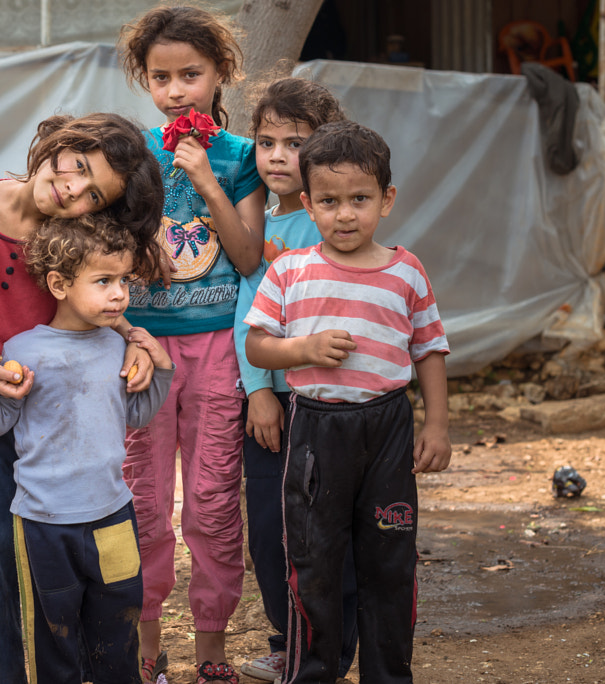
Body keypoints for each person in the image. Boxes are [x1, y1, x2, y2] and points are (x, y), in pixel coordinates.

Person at [0, 112, 165, 684]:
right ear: (62, 145)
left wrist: (133, 338)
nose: (72, 189)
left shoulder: (73, 239)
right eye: (79, 167)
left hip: (65, 429)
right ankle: (1, 676)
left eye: (93, 195)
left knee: (56, 578)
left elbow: (99, 299)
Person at [244, 121, 452, 684]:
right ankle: (313, 671)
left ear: (386, 200)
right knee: (313, 561)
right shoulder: (290, 270)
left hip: (386, 427)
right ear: (308, 204)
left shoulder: (406, 271)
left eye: (360, 199)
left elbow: (430, 349)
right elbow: (256, 343)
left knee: (390, 560)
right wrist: (304, 348)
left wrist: (436, 425)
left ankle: (388, 674)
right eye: (330, 202)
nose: (345, 215)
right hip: (314, 429)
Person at [117, 5, 267, 683]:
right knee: (143, 505)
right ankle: (145, 650)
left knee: (210, 504)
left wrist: (206, 178)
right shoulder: (129, 156)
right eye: (162, 77)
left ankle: (212, 651)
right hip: (143, 353)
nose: (177, 89)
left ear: (220, 74)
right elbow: (110, 251)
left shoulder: (243, 159)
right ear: (146, 82)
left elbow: (245, 255)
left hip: (214, 349)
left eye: (192, 74)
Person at [0, 214, 175, 683]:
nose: (119, 294)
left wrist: (162, 367)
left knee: (119, 625)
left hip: (113, 515)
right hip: (44, 523)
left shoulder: (119, 348)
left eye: (124, 281)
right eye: (104, 281)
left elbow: (136, 415)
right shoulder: (22, 350)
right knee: (55, 635)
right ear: (59, 284)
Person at [232, 77, 358, 684]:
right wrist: (258, 389)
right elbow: (246, 314)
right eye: (265, 141)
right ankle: (290, 641)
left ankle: (331, 650)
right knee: (269, 532)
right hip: (269, 404)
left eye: (295, 142)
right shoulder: (256, 225)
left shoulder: (334, 225)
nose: (278, 155)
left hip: (325, 405)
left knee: (328, 532)